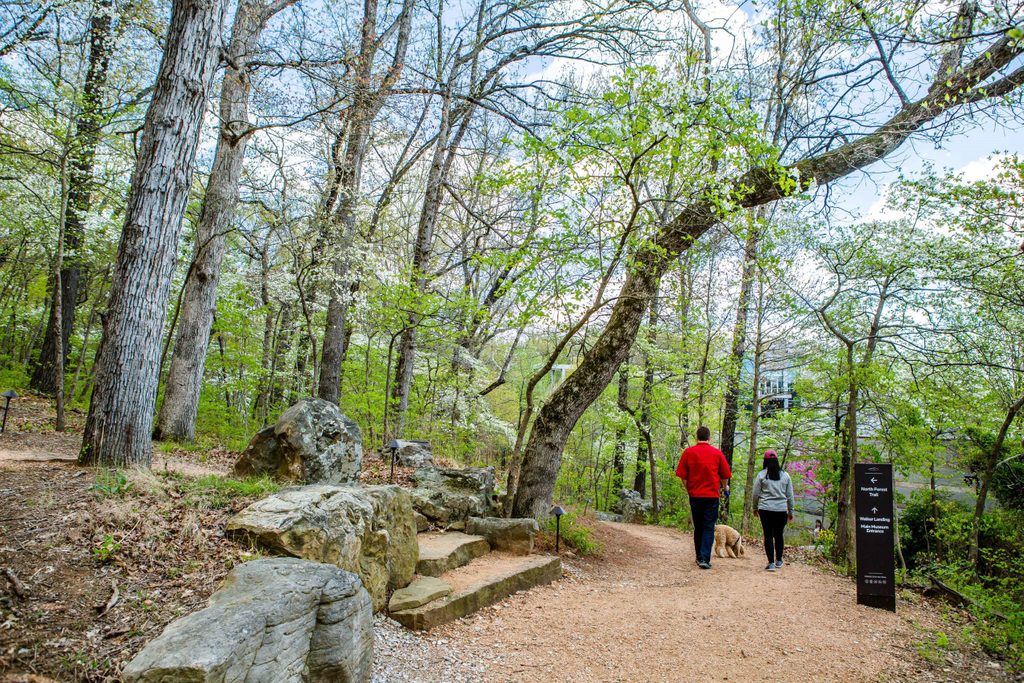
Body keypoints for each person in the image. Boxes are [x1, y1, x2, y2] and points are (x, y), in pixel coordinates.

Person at [675, 425, 731, 569]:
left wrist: (689, 489)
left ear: (696, 437)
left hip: (695, 495)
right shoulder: (717, 454)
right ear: (709, 437)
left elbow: (683, 476)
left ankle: (699, 557)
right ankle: (704, 559)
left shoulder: (689, 452)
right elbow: (725, 475)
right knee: (708, 526)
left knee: (698, 526)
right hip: (711, 496)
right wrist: (725, 488)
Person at [752, 449, 795, 572]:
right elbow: (790, 495)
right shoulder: (785, 475)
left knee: (768, 535)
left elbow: (755, 494)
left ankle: (771, 563)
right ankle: (779, 560)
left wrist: (755, 508)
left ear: (765, 461)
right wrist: (791, 511)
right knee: (779, 534)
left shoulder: (762, 475)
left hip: (765, 509)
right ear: (777, 460)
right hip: (781, 510)